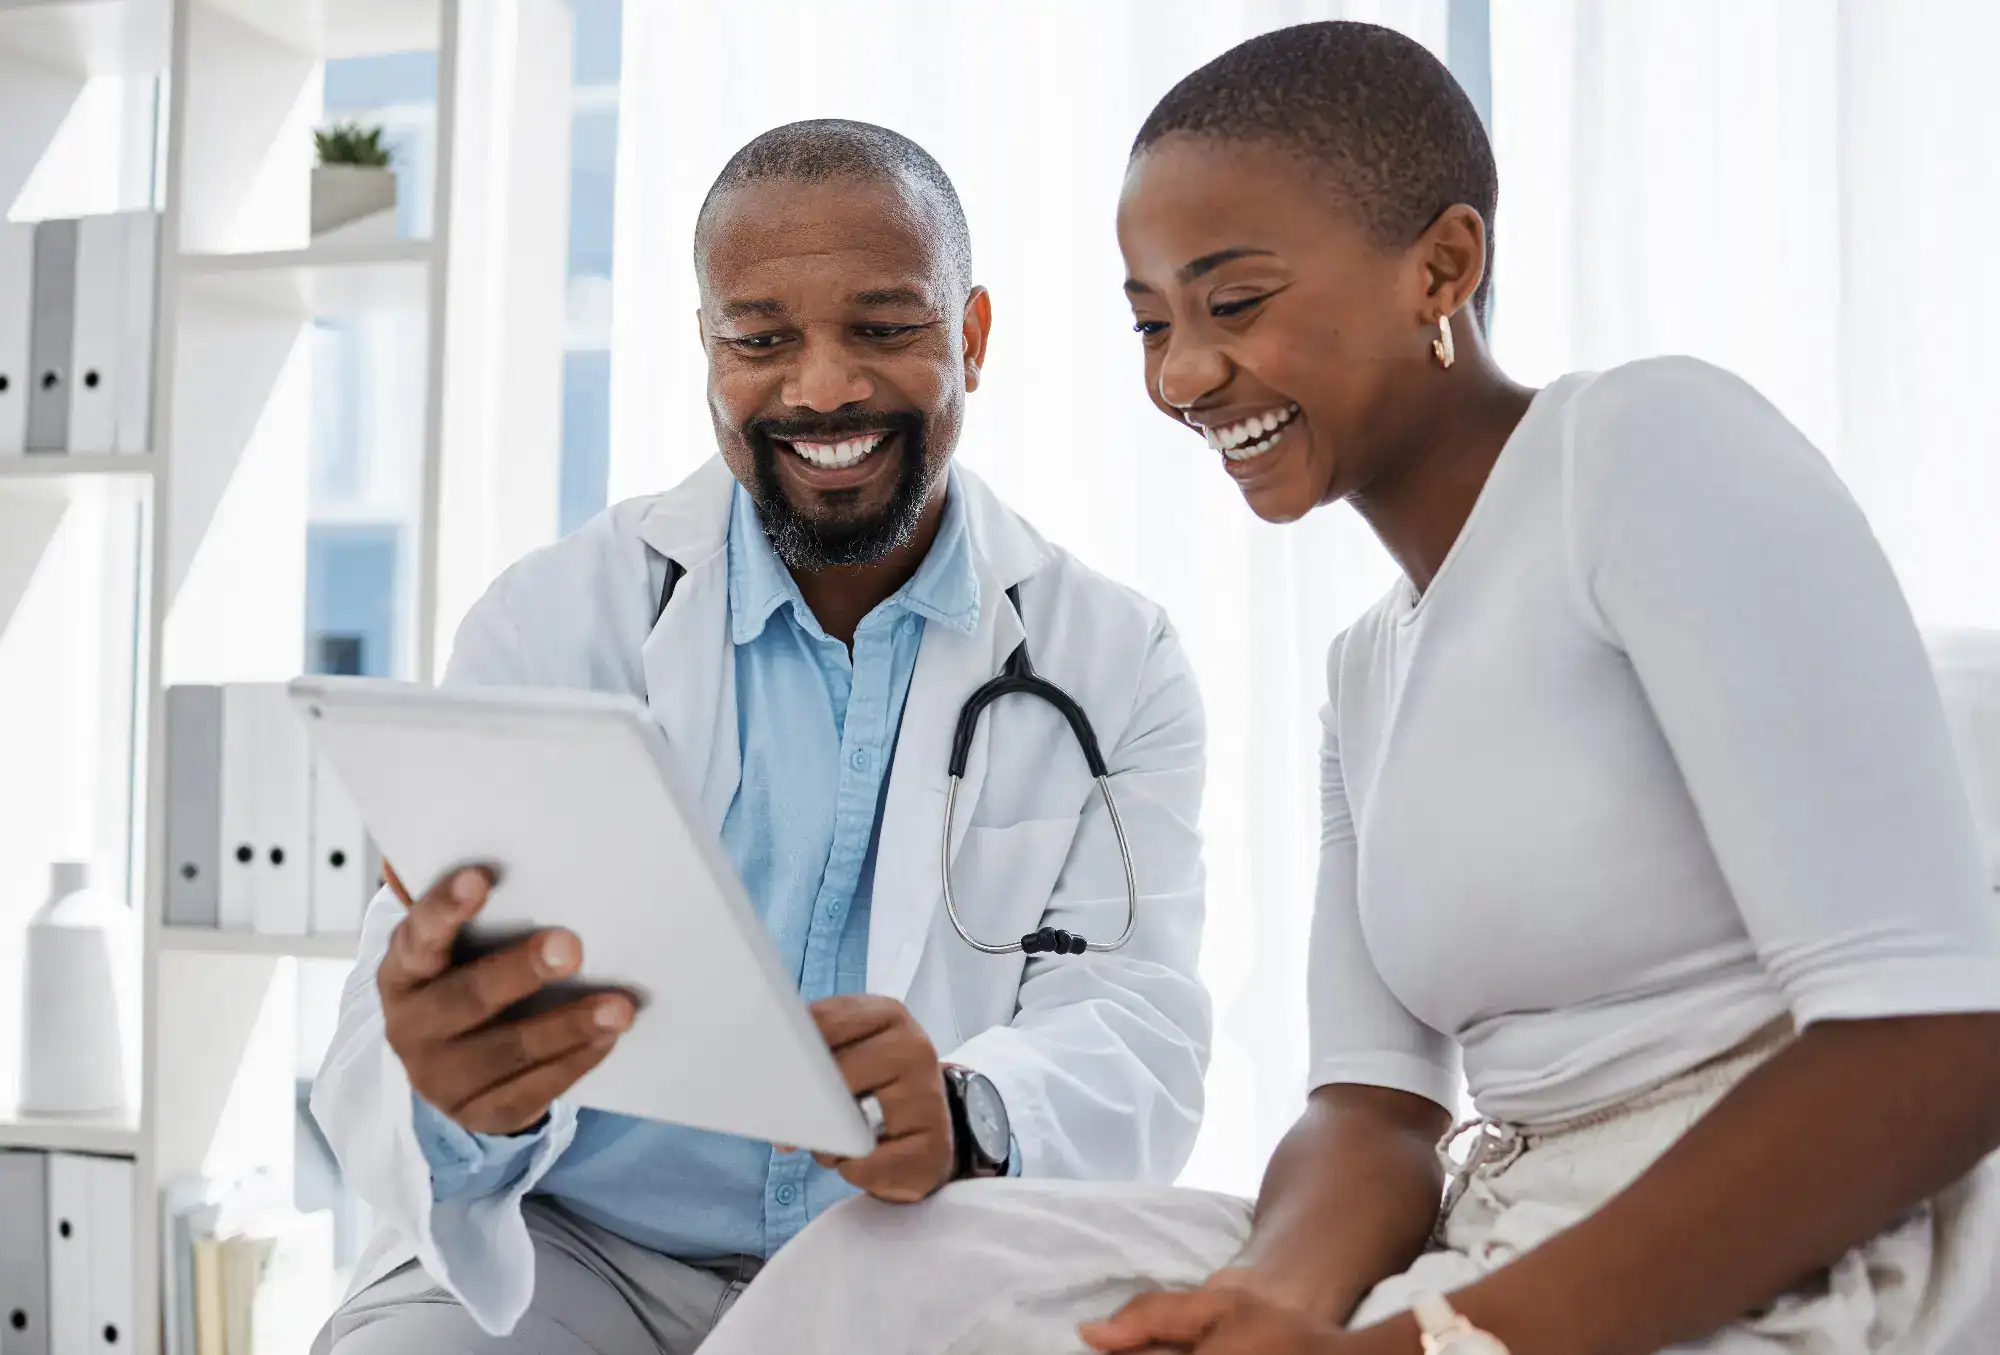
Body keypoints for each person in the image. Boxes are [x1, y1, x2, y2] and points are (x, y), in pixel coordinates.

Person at [693, 23, 2000, 1355]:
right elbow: (1373, 1108)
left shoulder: (1645, 448)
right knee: (904, 1263)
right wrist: (1266, 1301)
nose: (1184, 376)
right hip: (1497, 1232)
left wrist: (1425, 1343)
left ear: (1443, 264)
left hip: (1756, 1246)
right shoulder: (1368, 665)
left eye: (1235, 302)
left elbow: (1937, 1042)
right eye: (1151, 322)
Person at [308, 118, 1214, 1355]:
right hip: (576, 1247)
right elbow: (389, 1016)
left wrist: (967, 1109)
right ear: (706, 349)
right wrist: (456, 1095)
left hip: (911, 1261)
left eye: (885, 328)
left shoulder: (1112, 656)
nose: (823, 385)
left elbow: (1135, 1018)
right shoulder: (553, 620)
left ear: (973, 335)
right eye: (761, 337)